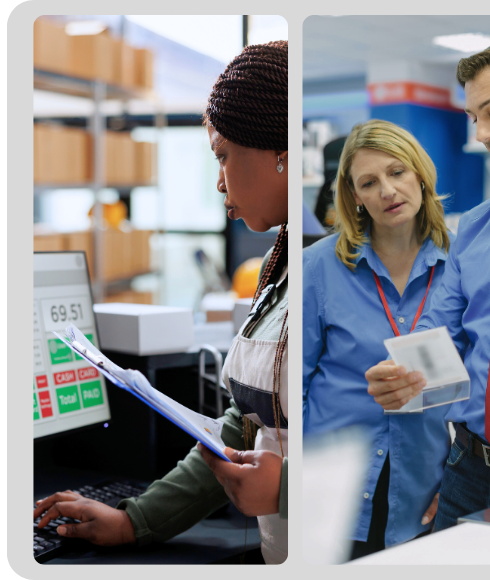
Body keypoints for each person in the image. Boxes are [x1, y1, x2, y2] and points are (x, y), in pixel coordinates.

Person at [32, 41, 290, 564]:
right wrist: (136, 520)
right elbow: (243, 427)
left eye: (223, 156)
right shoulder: (282, 268)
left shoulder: (357, 270)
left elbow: (413, 437)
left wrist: (292, 490)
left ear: (279, 151)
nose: (219, 180)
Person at [365, 33, 490, 530]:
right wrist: (402, 373)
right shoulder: (475, 225)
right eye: (475, 117)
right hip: (467, 471)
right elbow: (439, 332)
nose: (481, 133)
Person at [303, 120, 452, 558]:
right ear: (355, 197)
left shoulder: (463, 265)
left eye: (397, 172)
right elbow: (299, 389)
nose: (387, 190)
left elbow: (479, 382)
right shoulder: (318, 268)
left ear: (420, 176)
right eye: (369, 182)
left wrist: (464, 481)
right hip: (336, 484)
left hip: (426, 485)